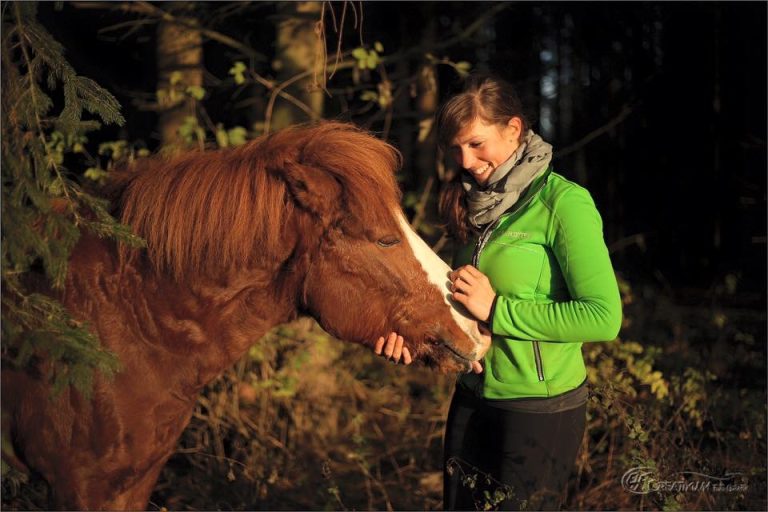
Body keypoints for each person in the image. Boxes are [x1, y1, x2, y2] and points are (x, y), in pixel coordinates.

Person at [374, 73, 622, 511]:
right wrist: (418, 341)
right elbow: (464, 314)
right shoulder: (471, 204)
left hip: (538, 410)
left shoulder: (563, 203)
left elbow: (603, 317)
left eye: (476, 144)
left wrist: (498, 310)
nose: (465, 161)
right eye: (455, 148)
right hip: (471, 400)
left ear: (514, 129)